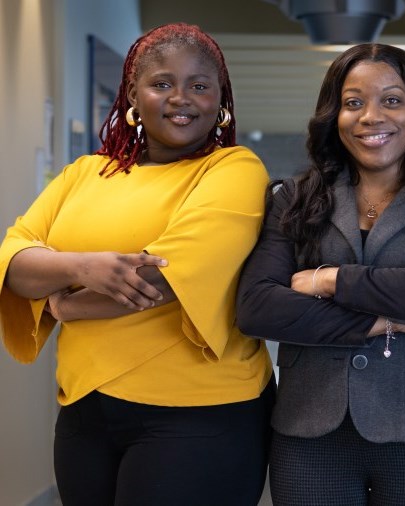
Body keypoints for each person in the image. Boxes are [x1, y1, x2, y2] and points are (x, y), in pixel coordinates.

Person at [0, 23, 275, 506]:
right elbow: (12, 261)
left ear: (220, 98)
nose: (181, 98)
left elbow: (164, 277)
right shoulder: (84, 174)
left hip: (198, 415)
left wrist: (63, 304)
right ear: (133, 94)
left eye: (199, 85)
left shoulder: (234, 169)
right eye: (162, 83)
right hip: (84, 412)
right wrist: (84, 268)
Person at [236, 43, 405, 505]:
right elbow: (258, 306)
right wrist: (387, 319)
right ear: (334, 115)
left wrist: (330, 281)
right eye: (354, 102)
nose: (371, 116)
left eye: (391, 100)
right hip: (309, 428)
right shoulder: (292, 199)